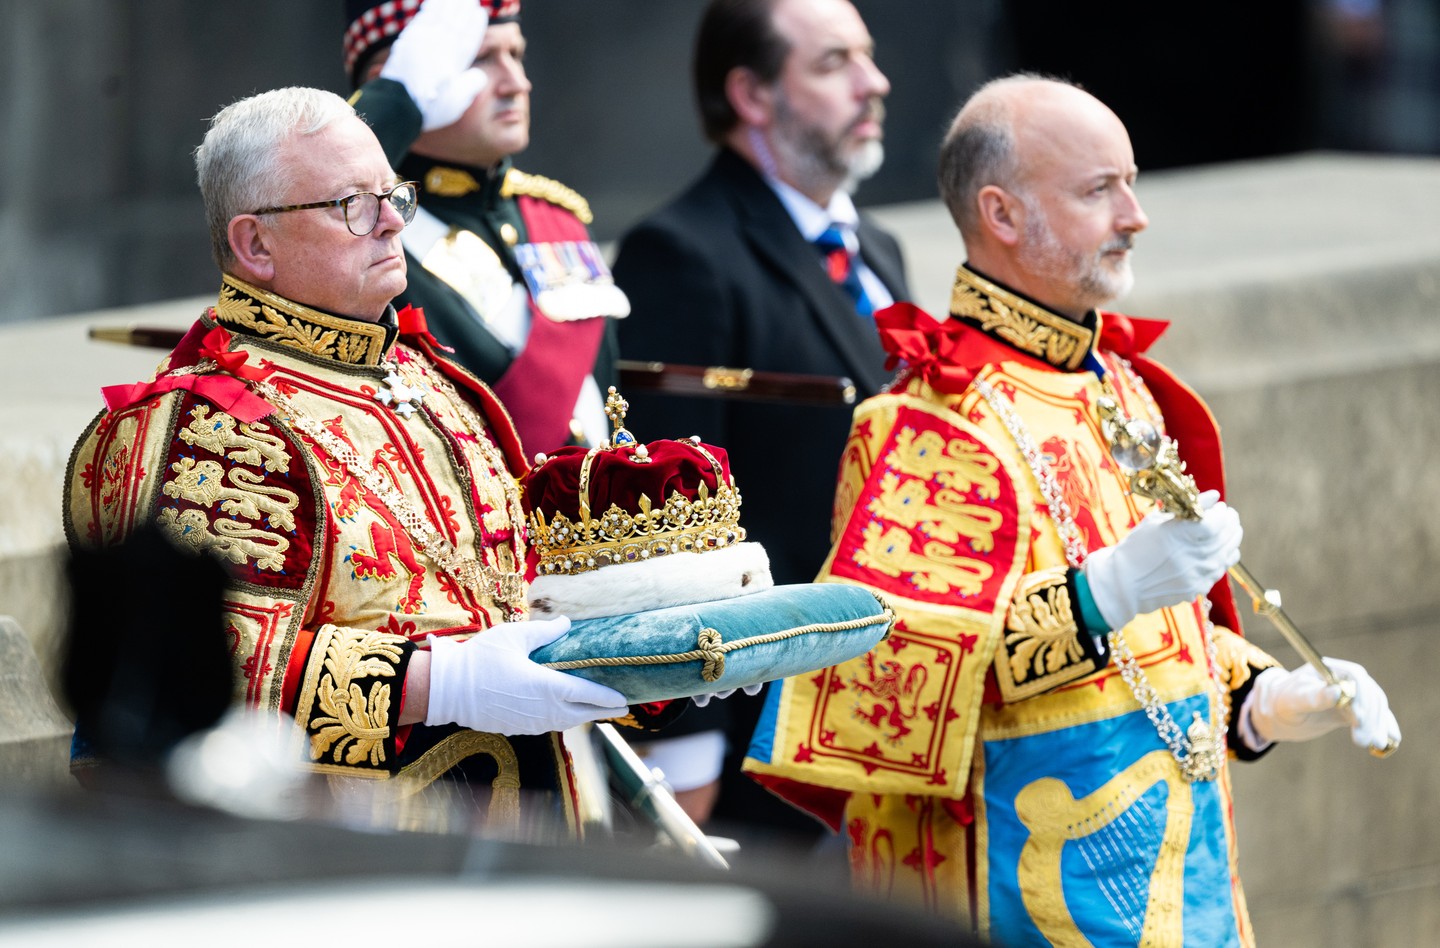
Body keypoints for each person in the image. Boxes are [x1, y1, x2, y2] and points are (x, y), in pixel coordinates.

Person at [743, 76, 1401, 945]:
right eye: (1099, 190)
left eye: (1130, 182)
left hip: (1188, 882)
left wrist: (1261, 697)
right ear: (1002, 215)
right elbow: (891, 679)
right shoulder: (932, 421)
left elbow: (1165, 642)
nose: (1135, 214)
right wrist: (1098, 597)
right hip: (1023, 890)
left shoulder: (1119, 385)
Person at [64, 86, 677, 834]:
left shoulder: (433, 376)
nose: (392, 221)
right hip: (350, 864)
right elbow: (212, 678)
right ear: (256, 244)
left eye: (393, 195)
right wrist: (443, 685)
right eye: (352, 202)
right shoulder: (208, 421)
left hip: (527, 831)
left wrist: (640, 652)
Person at [342, 0, 629, 458]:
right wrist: (394, 104)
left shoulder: (558, 218)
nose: (517, 83)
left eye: (516, 55)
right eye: (479, 60)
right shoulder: (358, 230)